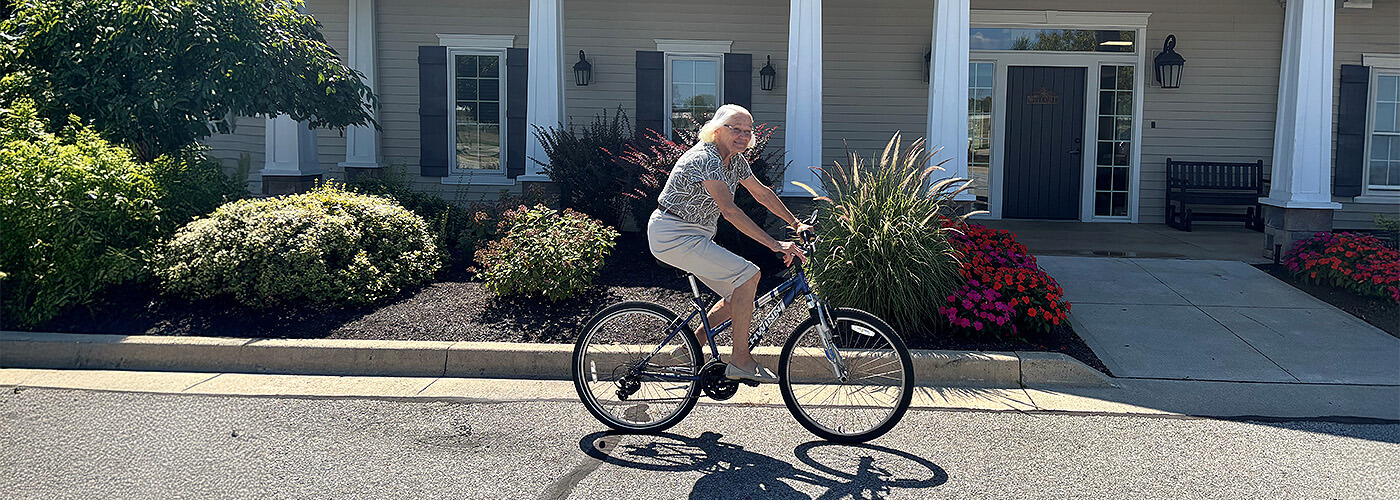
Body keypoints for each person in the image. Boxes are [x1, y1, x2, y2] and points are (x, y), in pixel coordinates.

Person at [647, 104, 811, 383]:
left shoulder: (734, 161)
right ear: (717, 130)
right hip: (673, 233)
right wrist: (775, 244)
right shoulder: (706, 158)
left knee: (739, 295)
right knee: (749, 275)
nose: (743, 136)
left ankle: (689, 346)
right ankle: (740, 361)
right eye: (736, 130)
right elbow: (730, 211)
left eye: (748, 131)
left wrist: (796, 223)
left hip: (695, 234)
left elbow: (762, 193)